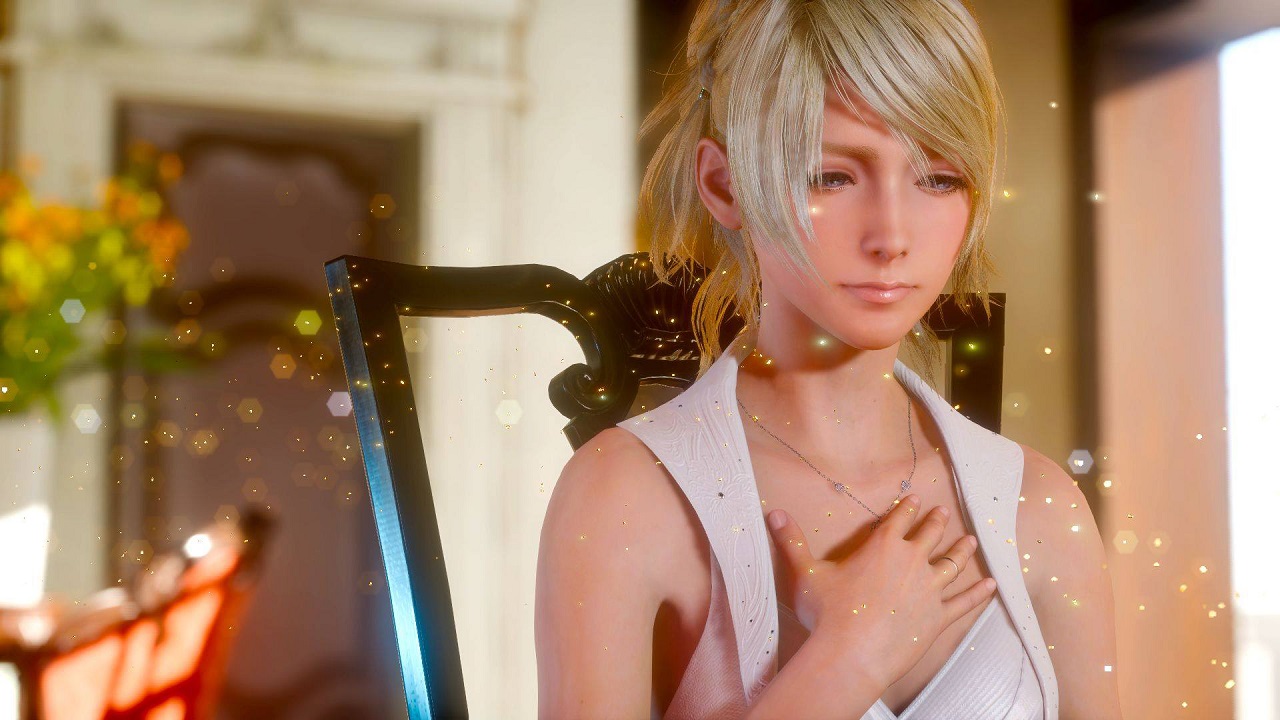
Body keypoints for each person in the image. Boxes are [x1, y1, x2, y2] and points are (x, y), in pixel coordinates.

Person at [535, 1, 1123, 718]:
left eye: (939, 179)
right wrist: (848, 660)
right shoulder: (627, 496)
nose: (892, 236)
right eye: (831, 177)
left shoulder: (1041, 507)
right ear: (724, 185)